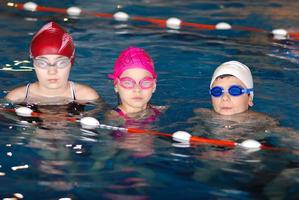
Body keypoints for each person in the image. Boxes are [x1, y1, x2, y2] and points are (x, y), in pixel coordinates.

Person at [5, 21, 99, 105]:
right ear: (33, 63)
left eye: (61, 62)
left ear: (71, 63)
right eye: (42, 63)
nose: (52, 71)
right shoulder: (16, 98)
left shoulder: (87, 96)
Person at [107, 46, 163, 124]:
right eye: (128, 83)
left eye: (145, 83)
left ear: (154, 86)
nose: (137, 89)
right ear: (116, 85)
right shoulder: (114, 117)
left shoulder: (158, 110)